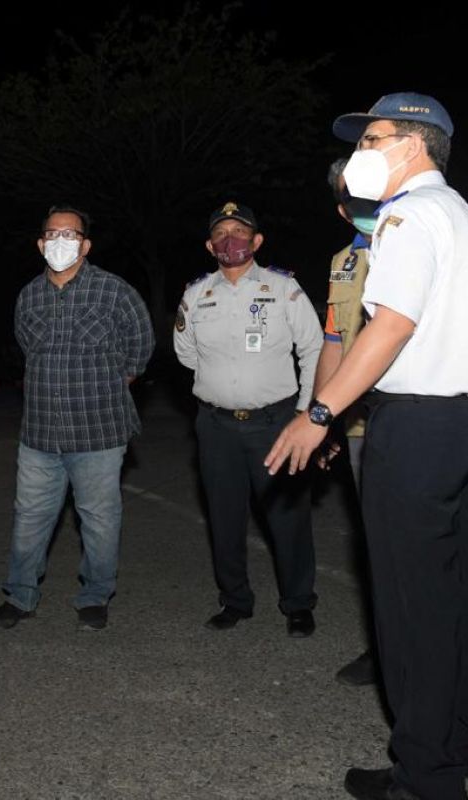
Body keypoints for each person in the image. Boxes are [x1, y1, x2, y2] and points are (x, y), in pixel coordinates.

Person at [266, 92, 468, 800]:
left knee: (415, 609)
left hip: (421, 430)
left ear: (413, 145)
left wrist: (319, 413)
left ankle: (426, 778)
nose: (361, 155)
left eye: (373, 139)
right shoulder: (466, 218)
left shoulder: (406, 217)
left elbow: (392, 324)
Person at [0, 205, 153, 632]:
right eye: (53, 234)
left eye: (71, 234)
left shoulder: (116, 292)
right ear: (41, 243)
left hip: (98, 432)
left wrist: (106, 387)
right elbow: (28, 348)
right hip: (40, 432)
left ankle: (95, 596)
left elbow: (141, 348)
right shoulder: (29, 296)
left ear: (85, 244)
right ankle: (20, 596)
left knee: (98, 520)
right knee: (29, 518)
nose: (61, 241)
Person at [173, 202, 322, 638]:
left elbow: (312, 349)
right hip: (215, 425)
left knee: (287, 517)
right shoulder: (196, 294)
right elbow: (185, 353)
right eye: (221, 233)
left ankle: (298, 604)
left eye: (240, 231)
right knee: (224, 517)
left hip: (275, 422)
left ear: (257, 241)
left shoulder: (283, 288)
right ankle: (235, 600)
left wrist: (305, 414)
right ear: (209, 245)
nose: (230, 239)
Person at [318, 160, 380, 684]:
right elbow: (335, 343)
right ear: (343, 208)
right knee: (375, 546)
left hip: (415, 420)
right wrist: (323, 417)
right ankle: (384, 648)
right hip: (360, 427)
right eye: (351, 198)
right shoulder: (342, 262)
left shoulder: (413, 244)